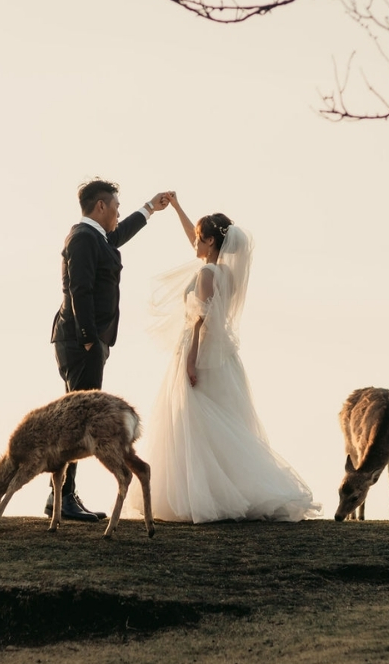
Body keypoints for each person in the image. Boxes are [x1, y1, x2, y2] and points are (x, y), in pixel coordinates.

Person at [134, 194, 321, 523]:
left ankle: (206, 497)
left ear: (208, 240)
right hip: (224, 358)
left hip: (200, 353)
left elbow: (199, 322)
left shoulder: (206, 275)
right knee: (220, 425)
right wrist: (177, 208)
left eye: (198, 237)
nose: (193, 240)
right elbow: (199, 245)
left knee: (197, 424)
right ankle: (226, 490)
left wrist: (190, 361)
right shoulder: (226, 274)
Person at [49, 179, 172, 521]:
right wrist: (89, 338)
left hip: (84, 341)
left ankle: (62, 497)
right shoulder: (83, 238)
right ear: (100, 206)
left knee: (77, 418)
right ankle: (62, 499)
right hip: (79, 341)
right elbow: (80, 289)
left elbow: (117, 237)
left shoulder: (96, 237)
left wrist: (149, 208)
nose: (118, 214)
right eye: (116, 208)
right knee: (77, 420)